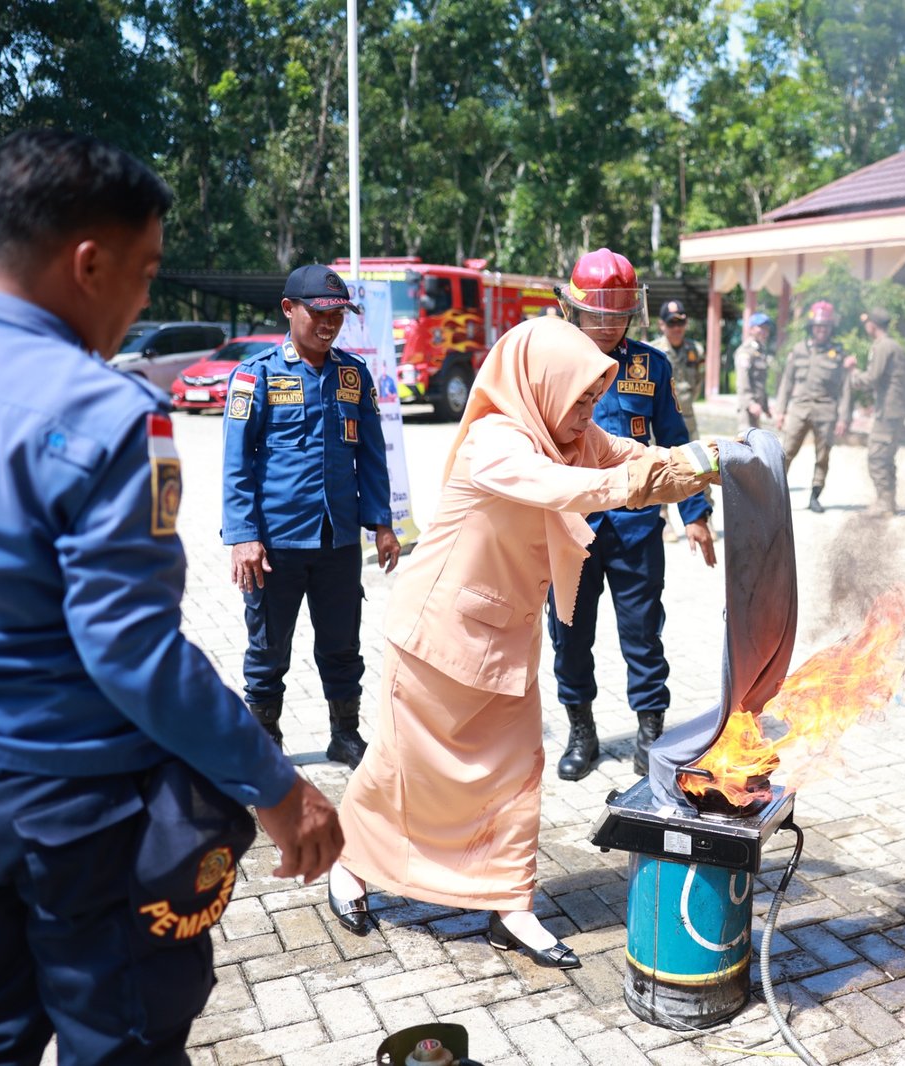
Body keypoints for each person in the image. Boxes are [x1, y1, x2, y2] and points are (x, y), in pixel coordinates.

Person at [0, 129, 341, 1064]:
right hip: (75, 814)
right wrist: (276, 786)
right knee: (124, 1040)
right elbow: (131, 649)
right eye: (144, 274)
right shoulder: (110, 416)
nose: (142, 300)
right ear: (88, 264)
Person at [329, 316, 719, 967]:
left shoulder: (573, 437)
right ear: (542, 385)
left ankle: (510, 906)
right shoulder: (496, 440)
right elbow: (565, 488)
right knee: (401, 768)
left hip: (505, 639)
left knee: (517, 775)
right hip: (435, 637)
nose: (589, 412)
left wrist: (706, 462)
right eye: (580, 398)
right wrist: (643, 483)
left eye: (595, 398)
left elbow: (632, 457)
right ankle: (351, 865)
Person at [546, 249, 716, 780]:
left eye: (618, 315)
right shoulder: (549, 362)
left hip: (636, 526)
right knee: (569, 633)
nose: (608, 325)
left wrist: (695, 512)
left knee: (643, 633)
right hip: (570, 527)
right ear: (575, 310)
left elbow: (675, 443)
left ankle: (650, 732)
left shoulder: (651, 365)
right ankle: (581, 731)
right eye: (598, 314)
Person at [222, 264, 400, 770]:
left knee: (343, 646)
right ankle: (264, 745)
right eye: (319, 313)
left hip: (337, 540)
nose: (329, 325)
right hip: (274, 545)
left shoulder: (352, 374)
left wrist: (382, 524)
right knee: (267, 651)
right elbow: (236, 461)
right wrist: (243, 536)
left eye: (337, 316)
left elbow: (372, 455)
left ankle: (345, 735)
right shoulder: (256, 375)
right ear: (289, 309)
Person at [776, 300, 855, 513]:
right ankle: (775, 495)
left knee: (822, 456)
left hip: (826, 410)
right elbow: (786, 382)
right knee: (786, 452)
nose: (822, 330)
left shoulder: (839, 354)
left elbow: (845, 388)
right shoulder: (798, 350)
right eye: (818, 326)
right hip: (799, 408)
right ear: (811, 327)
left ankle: (815, 496)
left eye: (826, 326)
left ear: (831, 328)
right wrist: (781, 411)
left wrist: (843, 418)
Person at [650, 298, 708, 542]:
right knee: (661, 466)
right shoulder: (653, 351)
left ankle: (701, 515)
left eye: (680, 323)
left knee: (698, 465)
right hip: (660, 419)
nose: (677, 328)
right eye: (671, 323)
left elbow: (697, 385)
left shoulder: (696, 350)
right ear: (662, 325)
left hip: (687, 418)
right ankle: (663, 519)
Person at [852, 306, 905, 515]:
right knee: (886, 456)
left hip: (888, 411)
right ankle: (888, 501)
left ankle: (884, 503)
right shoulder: (894, 346)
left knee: (877, 456)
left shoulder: (882, 346)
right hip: (894, 408)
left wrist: (854, 374)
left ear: (872, 325)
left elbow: (872, 377)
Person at [734, 311, 775, 432]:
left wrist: (766, 407)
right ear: (751, 329)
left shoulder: (761, 351)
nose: (764, 331)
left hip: (757, 407)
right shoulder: (746, 351)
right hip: (747, 408)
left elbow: (760, 383)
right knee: (746, 440)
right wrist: (750, 403)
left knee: (756, 440)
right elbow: (742, 380)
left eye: (766, 328)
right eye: (761, 327)